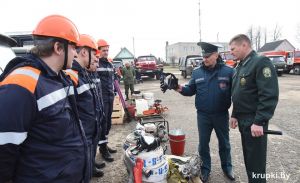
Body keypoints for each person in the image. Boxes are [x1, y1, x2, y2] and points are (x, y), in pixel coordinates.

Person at [0, 15, 87, 182]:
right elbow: (4, 151)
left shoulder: (58, 78)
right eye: (73, 47)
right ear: (58, 48)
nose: (76, 53)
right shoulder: (21, 85)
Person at [177, 42, 235, 182]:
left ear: (216, 55)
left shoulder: (229, 71)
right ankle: (205, 169)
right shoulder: (197, 72)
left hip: (221, 114)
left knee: (224, 143)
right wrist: (177, 87)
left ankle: (227, 167)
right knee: (203, 144)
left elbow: (237, 94)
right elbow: (190, 90)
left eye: (208, 56)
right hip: (203, 116)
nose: (205, 59)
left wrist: (236, 114)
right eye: (203, 56)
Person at [229, 34, 279, 183]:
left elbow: (269, 95)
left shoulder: (260, 62)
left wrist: (260, 121)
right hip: (244, 120)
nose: (231, 52)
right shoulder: (241, 65)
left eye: (233, 48)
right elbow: (240, 93)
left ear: (244, 45)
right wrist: (235, 114)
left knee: (256, 163)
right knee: (249, 159)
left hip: (254, 121)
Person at [65, 34, 105, 179]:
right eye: (94, 54)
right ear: (83, 52)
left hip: (89, 133)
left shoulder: (83, 74)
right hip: (82, 138)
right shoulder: (71, 76)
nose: (96, 58)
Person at [96, 39, 117, 162]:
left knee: (108, 122)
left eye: (107, 50)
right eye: (104, 50)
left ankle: (105, 144)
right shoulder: (96, 63)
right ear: (98, 51)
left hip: (110, 96)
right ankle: (102, 149)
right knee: (103, 123)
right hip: (101, 97)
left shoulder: (109, 64)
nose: (106, 52)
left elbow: (113, 80)